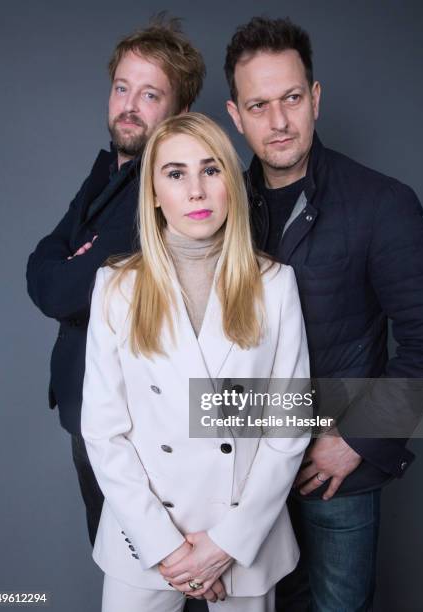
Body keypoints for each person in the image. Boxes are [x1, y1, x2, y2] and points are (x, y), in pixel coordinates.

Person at [224, 16, 423, 612]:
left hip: (332, 477)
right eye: (258, 105)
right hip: (240, 477)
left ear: (315, 99)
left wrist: (356, 438)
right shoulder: (219, 209)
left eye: (292, 98)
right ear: (236, 116)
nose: (278, 121)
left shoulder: (382, 203)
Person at [80, 112, 310, 612]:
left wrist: (224, 544)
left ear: (231, 181)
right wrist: (169, 549)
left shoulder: (275, 284)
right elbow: (103, 431)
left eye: (211, 170)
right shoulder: (117, 288)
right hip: (143, 542)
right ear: (155, 193)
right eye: (175, 173)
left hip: (245, 539)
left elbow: (287, 429)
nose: (196, 191)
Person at [26, 16, 205, 548]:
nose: (129, 104)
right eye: (122, 88)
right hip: (90, 413)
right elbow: (43, 262)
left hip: (132, 427)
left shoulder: (162, 187)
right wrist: (68, 259)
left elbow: (59, 290)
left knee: (160, 568)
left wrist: (68, 262)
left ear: (180, 113)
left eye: (150, 94)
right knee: (124, 568)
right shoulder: (109, 171)